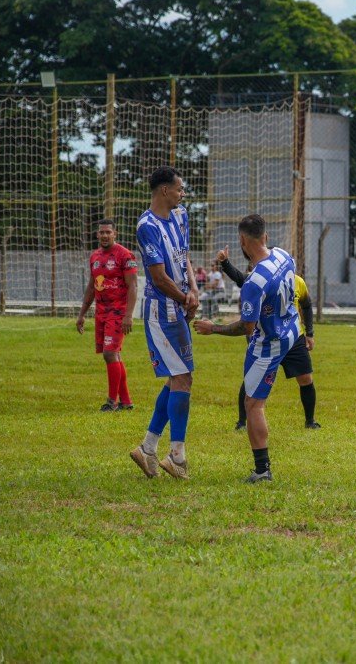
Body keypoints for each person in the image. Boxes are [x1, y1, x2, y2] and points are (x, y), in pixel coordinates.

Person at [194, 214, 299, 483]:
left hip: (269, 344)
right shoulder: (283, 255)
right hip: (291, 329)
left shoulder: (254, 283)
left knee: (253, 404)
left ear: (242, 240)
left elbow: (247, 326)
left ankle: (262, 470)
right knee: (254, 400)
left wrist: (213, 328)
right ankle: (262, 469)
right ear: (265, 236)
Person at [128, 166, 199, 480]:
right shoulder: (147, 226)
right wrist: (185, 299)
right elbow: (158, 277)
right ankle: (177, 456)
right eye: (179, 188)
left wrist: (193, 290)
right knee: (182, 378)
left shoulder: (181, 216)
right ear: (164, 190)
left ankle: (147, 448)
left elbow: (184, 257)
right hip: (162, 311)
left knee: (177, 379)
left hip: (179, 306)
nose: (182, 194)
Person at [216, 245, 320, 431]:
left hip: (293, 336)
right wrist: (225, 263)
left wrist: (310, 333)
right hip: (267, 338)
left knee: (306, 378)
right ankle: (242, 422)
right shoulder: (262, 279)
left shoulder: (297, 281)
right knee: (251, 381)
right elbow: (241, 279)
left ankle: (310, 421)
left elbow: (306, 304)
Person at [76, 219, 138, 412]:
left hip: (118, 311)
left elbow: (133, 286)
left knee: (109, 353)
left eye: (108, 232)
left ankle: (112, 402)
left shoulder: (125, 255)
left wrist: (128, 315)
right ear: (97, 235)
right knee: (114, 354)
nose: (104, 235)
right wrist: (82, 314)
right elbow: (91, 287)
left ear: (115, 234)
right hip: (101, 312)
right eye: (101, 232)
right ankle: (126, 401)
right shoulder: (94, 256)